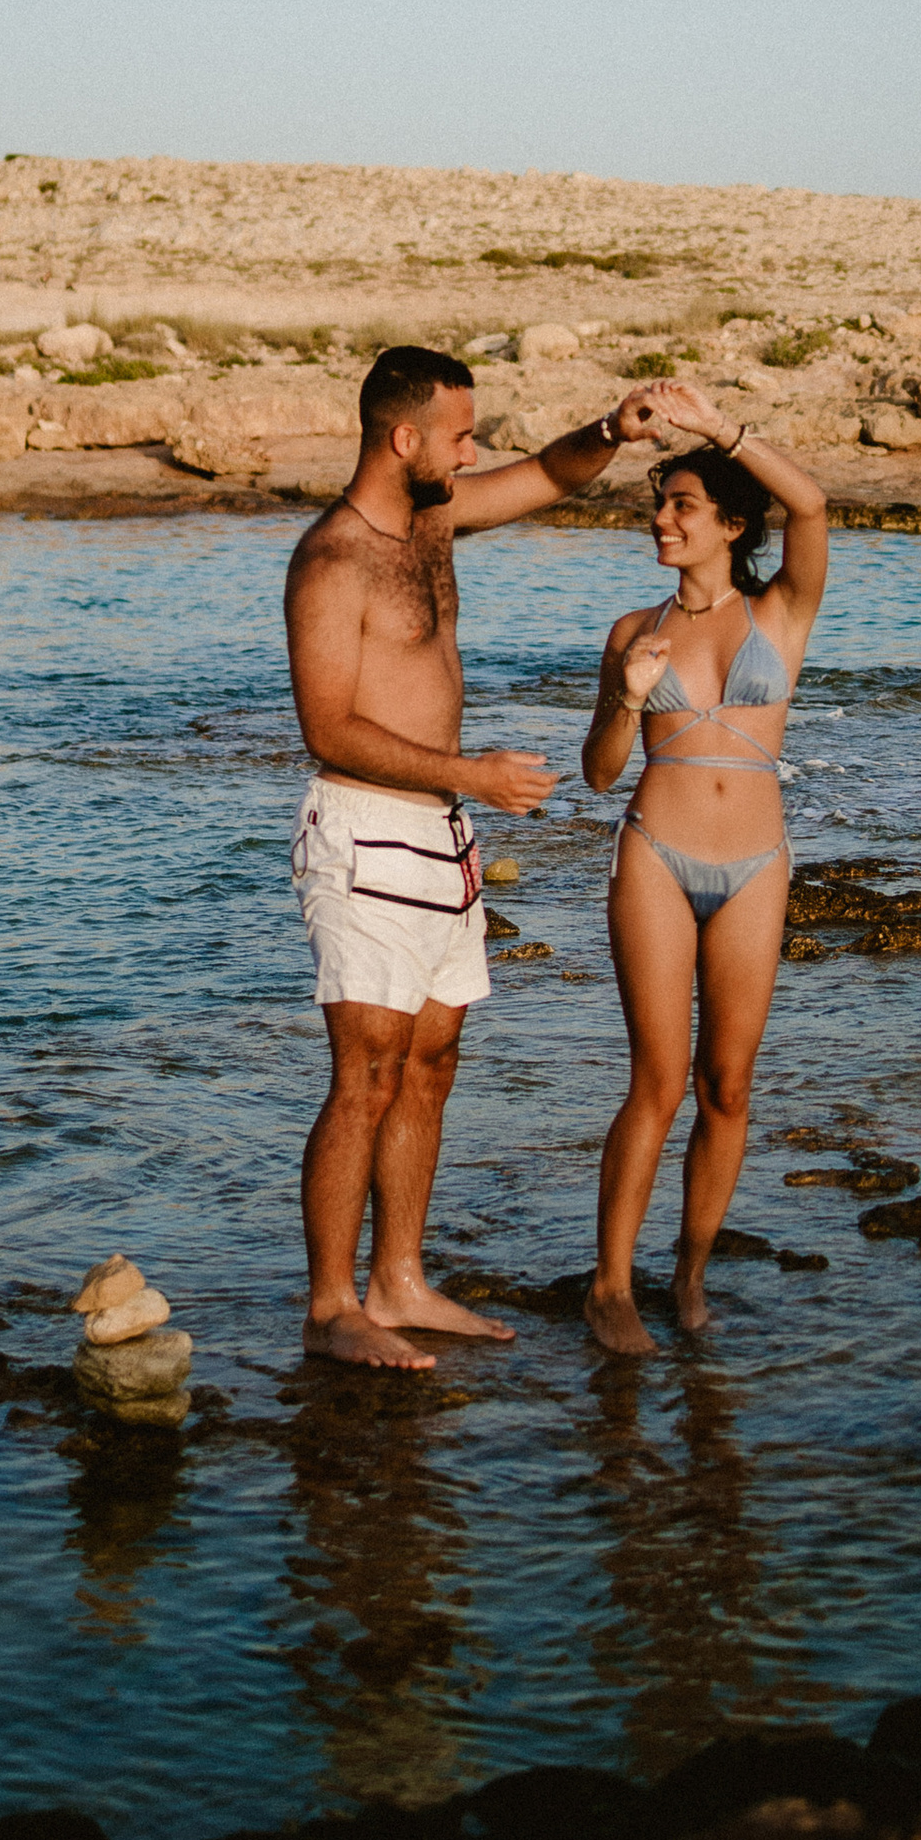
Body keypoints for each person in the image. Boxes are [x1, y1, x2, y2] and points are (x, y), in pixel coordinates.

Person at [284, 345, 692, 1373]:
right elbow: (326, 727)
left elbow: (548, 475)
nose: (474, 452)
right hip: (365, 833)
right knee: (364, 1075)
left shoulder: (433, 515)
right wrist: (469, 773)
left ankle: (401, 1282)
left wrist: (614, 428)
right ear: (403, 436)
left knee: (431, 1063)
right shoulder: (331, 557)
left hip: (441, 837)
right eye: (460, 435)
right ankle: (332, 1305)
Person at [578, 394, 830, 1353]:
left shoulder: (781, 613)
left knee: (728, 1083)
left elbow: (809, 509)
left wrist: (720, 428)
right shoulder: (632, 631)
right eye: (659, 505)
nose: (662, 520)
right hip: (655, 855)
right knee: (659, 1080)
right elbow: (601, 773)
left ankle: (688, 1275)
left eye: (683, 505)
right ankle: (610, 1286)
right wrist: (626, 698)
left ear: (729, 523)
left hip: (758, 865)